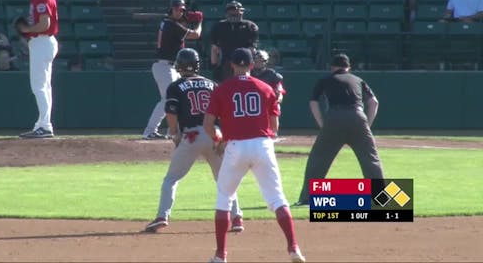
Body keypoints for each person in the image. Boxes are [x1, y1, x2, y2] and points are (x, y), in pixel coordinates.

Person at [204, 48, 305, 263]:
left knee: (224, 198)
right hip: (263, 145)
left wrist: (219, 139)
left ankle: (220, 255)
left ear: (231, 64)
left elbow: (208, 124)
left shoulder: (222, 89)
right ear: (252, 65)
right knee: (277, 199)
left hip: (235, 147)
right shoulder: (265, 87)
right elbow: (274, 126)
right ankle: (293, 248)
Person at [144, 48, 244, 234]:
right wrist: (224, 138)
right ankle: (236, 217)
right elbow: (226, 114)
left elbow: (171, 112)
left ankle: (162, 216)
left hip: (192, 136)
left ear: (178, 65)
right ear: (198, 64)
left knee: (171, 179)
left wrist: (174, 133)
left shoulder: (175, 86)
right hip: (215, 135)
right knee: (224, 179)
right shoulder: (212, 84)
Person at [294, 54, 384, 206]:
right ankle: (381, 198)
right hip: (358, 116)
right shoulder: (358, 80)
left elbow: (313, 102)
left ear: (332, 67)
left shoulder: (325, 80)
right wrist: (366, 125)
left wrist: (322, 124)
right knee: (371, 159)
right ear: (348, 67)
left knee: (319, 159)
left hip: (334, 118)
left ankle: (307, 199)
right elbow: (374, 103)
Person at [142, 0, 203, 139]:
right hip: (164, 66)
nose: (179, 12)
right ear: (171, 10)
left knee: (175, 98)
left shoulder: (169, 23)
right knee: (167, 99)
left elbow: (181, 25)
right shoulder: (171, 25)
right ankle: (150, 130)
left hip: (171, 67)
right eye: (176, 9)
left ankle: (172, 130)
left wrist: (187, 18)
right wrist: (199, 22)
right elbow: (195, 35)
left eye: (181, 10)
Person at [16, 0, 59, 138]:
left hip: (42, 42)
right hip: (44, 42)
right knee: (44, 87)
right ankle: (43, 124)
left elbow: (44, 24)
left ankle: (45, 126)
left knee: (39, 86)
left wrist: (26, 30)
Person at [210, 1, 259, 83]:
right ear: (227, 13)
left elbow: (252, 49)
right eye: (231, 11)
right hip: (227, 64)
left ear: (242, 12)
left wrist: (250, 66)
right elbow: (214, 49)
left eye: (236, 11)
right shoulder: (218, 26)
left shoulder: (250, 26)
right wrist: (215, 66)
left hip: (244, 64)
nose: (233, 13)